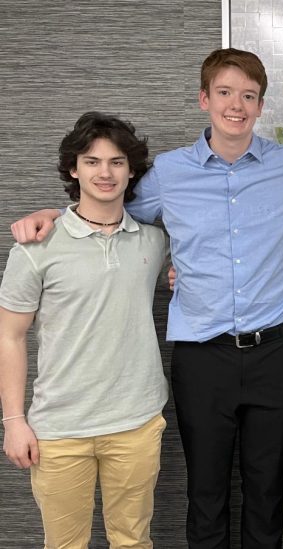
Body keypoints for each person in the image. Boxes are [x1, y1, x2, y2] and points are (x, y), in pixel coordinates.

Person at [10, 48, 283, 548]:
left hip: (276, 352)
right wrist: (51, 212)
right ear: (204, 99)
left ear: (261, 106)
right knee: (205, 493)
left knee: (268, 492)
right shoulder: (170, 173)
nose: (236, 105)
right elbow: (106, 199)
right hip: (202, 356)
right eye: (224, 93)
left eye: (249, 96)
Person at [0, 112, 168, 548]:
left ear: (132, 171)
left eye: (116, 161)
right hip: (59, 428)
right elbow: (9, 336)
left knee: (133, 541)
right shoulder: (36, 246)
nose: (105, 172)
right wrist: (14, 421)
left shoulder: (154, 242)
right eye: (91, 161)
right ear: (73, 169)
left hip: (136, 422)